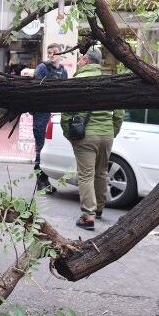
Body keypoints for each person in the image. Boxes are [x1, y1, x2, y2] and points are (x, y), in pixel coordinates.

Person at [61, 46, 124, 231]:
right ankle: (99, 209)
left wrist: (69, 135)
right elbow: (119, 111)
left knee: (86, 175)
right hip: (106, 134)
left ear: (87, 61)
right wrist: (112, 131)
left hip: (85, 135)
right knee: (102, 172)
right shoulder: (109, 82)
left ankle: (88, 216)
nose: (79, 61)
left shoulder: (77, 81)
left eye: (80, 58)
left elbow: (66, 113)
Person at [32, 44, 68, 192]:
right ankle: (41, 181)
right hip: (42, 113)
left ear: (61, 53)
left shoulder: (64, 71)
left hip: (56, 114)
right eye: (49, 53)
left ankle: (45, 181)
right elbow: (36, 89)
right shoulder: (42, 68)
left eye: (55, 52)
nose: (52, 55)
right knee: (41, 148)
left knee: (50, 149)